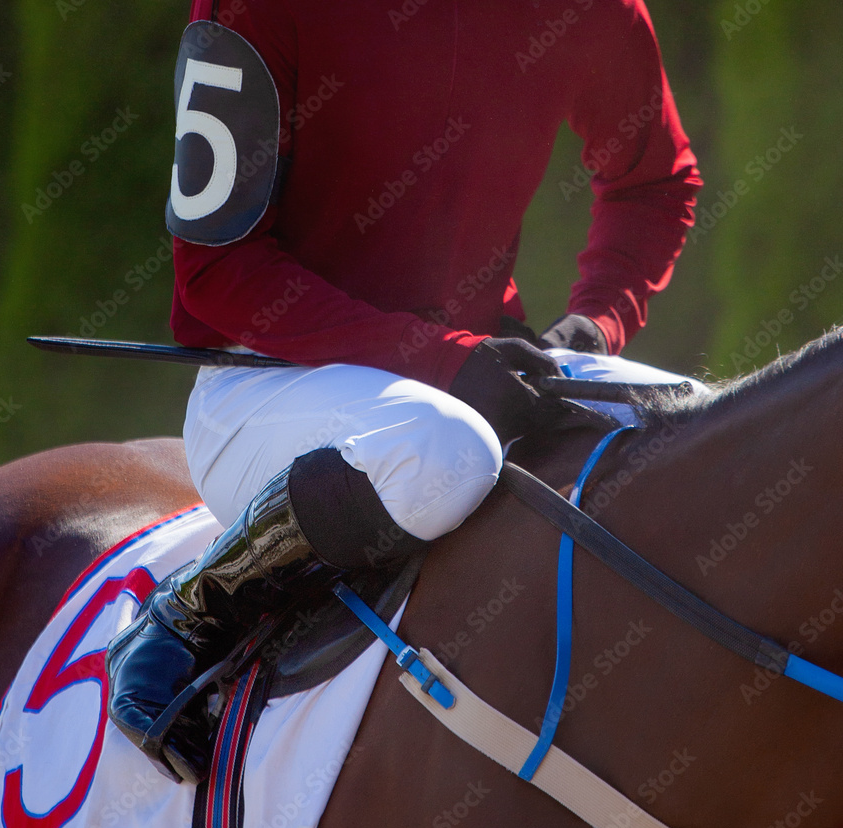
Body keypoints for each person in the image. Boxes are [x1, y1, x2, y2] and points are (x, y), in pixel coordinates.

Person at [106, 0, 703, 783]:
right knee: (446, 451)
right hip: (271, 384)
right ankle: (192, 612)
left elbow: (655, 183)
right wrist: (442, 357)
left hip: (477, 368)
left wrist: (591, 328)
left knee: (700, 424)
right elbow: (217, 271)